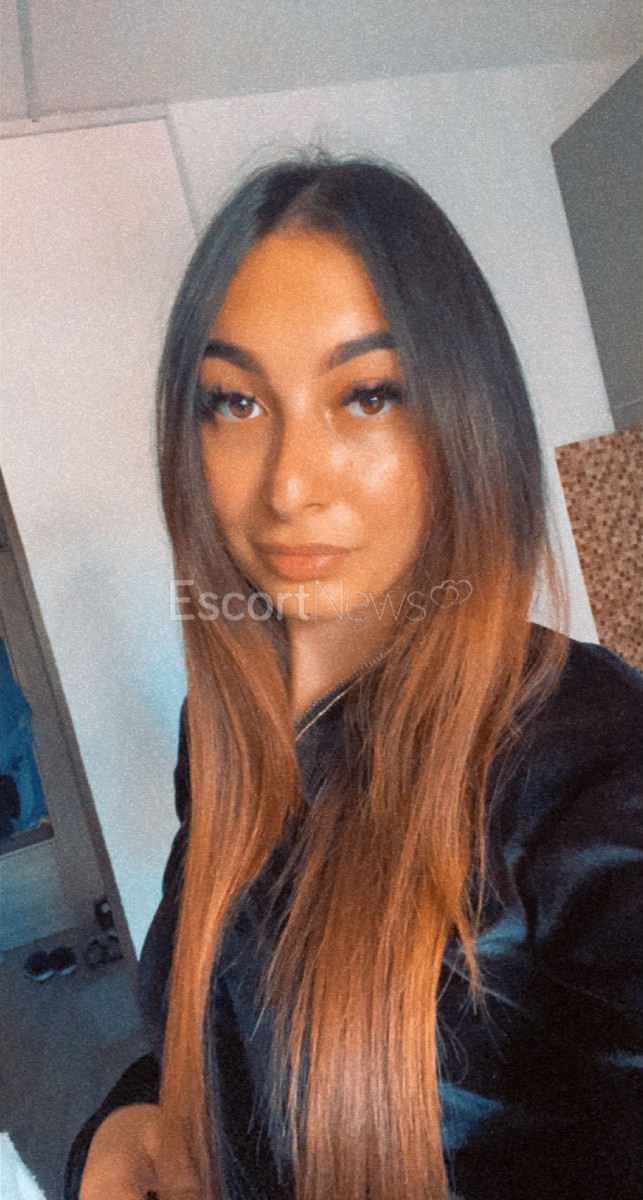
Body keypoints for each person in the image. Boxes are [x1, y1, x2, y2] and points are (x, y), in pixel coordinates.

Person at [65, 154, 642, 1200]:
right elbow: (226, 1030)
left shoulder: (582, 757)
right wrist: (134, 1119)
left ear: (463, 424)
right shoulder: (222, 731)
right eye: (236, 402)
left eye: (366, 395)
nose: (289, 483)